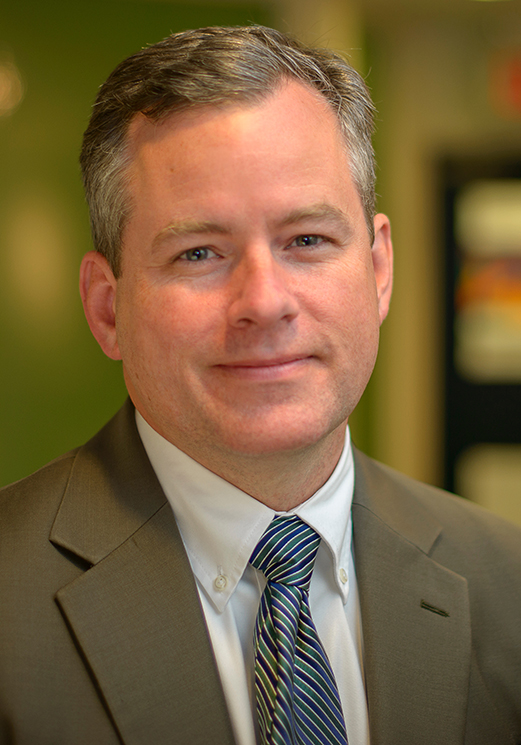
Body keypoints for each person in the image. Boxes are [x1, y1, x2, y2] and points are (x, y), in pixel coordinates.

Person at [0, 25, 520, 745]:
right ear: (107, 309)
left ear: (377, 271)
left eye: (307, 240)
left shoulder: (506, 580)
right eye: (199, 252)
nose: (265, 301)